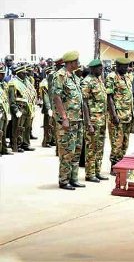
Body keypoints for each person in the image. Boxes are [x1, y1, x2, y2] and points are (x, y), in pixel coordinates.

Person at [53, 51, 85, 190]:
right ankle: (64, 180)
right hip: (67, 121)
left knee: (76, 150)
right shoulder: (60, 76)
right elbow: (56, 97)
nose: (78, 63)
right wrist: (64, 118)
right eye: (76, 61)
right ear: (70, 63)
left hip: (77, 120)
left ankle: (73, 178)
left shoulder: (74, 77)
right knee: (67, 151)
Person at [81, 59, 109, 182]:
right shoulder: (87, 82)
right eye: (99, 68)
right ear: (92, 69)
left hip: (102, 120)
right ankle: (90, 173)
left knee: (99, 147)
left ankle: (97, 171)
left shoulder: (99, 80)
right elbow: (84, 104)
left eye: (101, 68)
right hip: (92, 121)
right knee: (91, 147)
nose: (101, 70)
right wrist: (88, 123)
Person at [106, 57, 134, 174]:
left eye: (127, 66)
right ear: (118, 66)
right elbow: (109, 97)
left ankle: (121, 164)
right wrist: (114, 115)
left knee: (125, 143)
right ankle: (114, 165)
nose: (126, 68)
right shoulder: (111, 77)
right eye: (124, 66)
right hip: (117, 116)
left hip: (128, 116)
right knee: (116, 143)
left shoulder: (128, 77)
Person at [8, 66, 33, 152]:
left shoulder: (26, 82)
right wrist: (15, 110)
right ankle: (17, 145)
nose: (25, 75)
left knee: (27, 127)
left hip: (27, 107)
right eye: (23, 73)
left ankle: (25, 143)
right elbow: (11, 99)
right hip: (19, 108)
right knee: (18, 128)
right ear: (18, 73)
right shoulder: (13, 83)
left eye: (25, 73)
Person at [39, 66, 54, 147]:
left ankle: (52, 140)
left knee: (52, 125)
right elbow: (45, 96)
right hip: (48, 108)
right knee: (47, 125)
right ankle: (46, 141)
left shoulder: (53, 81)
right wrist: (48, 108)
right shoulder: (44, 82)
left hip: (53, 107)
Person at [0, 66, 12, 156]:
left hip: (4, 111)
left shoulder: (4, 84)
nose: (2, 76)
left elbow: (7, 98)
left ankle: (3, 149)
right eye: (1, 74)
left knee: (3, 131)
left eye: (3, 74)